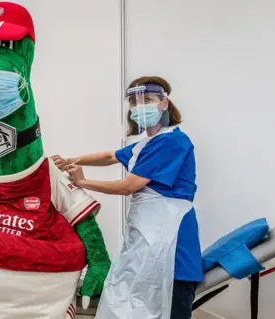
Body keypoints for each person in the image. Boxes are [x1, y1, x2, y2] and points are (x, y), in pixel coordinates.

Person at [52, 76, 203, 319]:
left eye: (148, 99)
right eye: (133, 101)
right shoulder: (145, 144)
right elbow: (110, 156)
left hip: (171, 245)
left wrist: (82, 182)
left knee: (168, 308)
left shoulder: (173, 141)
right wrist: (72, 160)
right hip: (146, 240)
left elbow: (128, 186)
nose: (139, 106)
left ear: (164, 103)